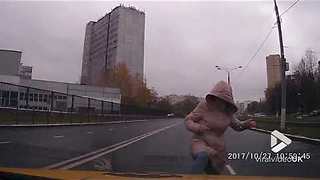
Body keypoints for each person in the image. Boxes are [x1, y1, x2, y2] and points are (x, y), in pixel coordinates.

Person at [185, 81, 256, 174]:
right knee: (203, 156)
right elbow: (188, 120)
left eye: (225, 100)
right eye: (219, 99)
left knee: (214, 173)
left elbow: (237, 126)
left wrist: (246, 124)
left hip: (218, 148)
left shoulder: (228, 112)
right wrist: (198, 128)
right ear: (214, 97)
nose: (221, 102)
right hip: (201, 142)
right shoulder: (204, 106)